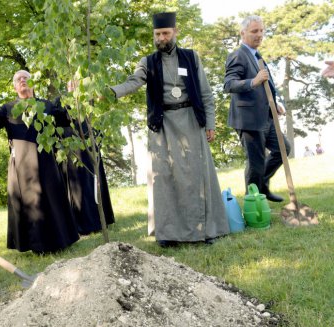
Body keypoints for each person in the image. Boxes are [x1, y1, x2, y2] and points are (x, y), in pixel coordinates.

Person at [108, 12, 229, 246]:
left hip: (191, 122)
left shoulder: (191, 58)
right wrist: (111, 91)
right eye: (157, 34)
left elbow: (206, 93)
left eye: (165, 33)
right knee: (163, 178)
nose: (161, 38)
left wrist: (210, 124)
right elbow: (133, 82)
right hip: (161, 125)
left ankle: (201, 232)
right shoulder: (147, 62)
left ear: (175, 32)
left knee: (195, 177)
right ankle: (168, 233)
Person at [0, 71, 79, 254]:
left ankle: (60, 241)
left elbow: (66, 119)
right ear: (15, 87)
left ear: (33, 83)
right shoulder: (8, 108)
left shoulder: (46, 105)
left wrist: (72, 96)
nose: (22, 80)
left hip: (47, 161)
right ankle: (36, 246)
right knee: (30, 204)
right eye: (18, 79)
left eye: (26, 78)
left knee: (52, 200)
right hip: (21, 165)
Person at [224, 15, 291, 203]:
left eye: (262, 31)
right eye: (255, 31)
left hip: (267, 117)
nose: (259, 35)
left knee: (283, 149)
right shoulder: (238, 55)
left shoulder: (257, 56)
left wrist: (275, 103)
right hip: (248, 119)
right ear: (243, 33)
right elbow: (229, 84)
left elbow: (267, 84)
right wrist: (253, 81)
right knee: (255, 163)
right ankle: (253, 204)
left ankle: (262, 185)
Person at [57, 81, 115, 235]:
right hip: (72, 149)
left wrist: (97, 139)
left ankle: (100, 221)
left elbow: (99, 121)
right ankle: (81, 224)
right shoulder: (61, 100)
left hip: (90, 147)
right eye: (71, 84)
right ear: (67, 86)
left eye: (77, 83)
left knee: (94, 184)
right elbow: (57, 122)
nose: (74, 86)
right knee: (77, 188)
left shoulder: (90, 100)